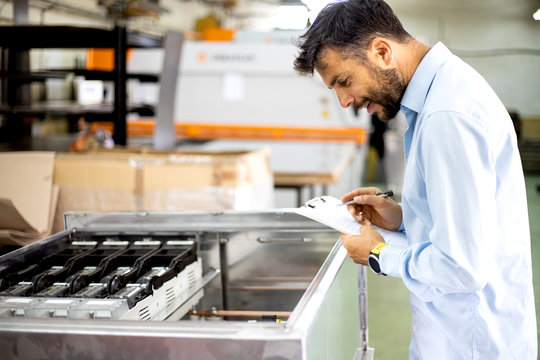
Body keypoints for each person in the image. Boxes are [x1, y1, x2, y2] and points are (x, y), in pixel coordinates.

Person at [294, 0, 537, 359]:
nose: (344, 101)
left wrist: (378, 253)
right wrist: (404, 217)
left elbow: (461, 267)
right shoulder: (445, 92)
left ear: (381, 51)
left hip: (470, 344)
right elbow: (472, 222)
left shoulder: (446, 115)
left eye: (344, 82)